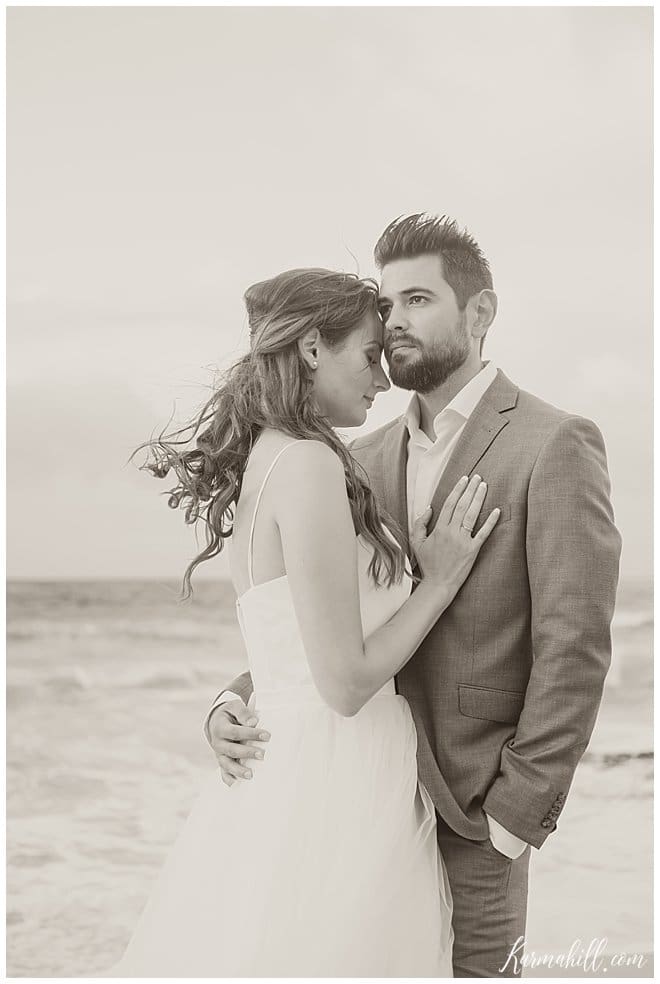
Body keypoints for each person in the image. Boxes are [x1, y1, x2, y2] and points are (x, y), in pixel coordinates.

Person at [206, 215, 622, 977]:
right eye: (387, 305)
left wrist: (516, 814)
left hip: (474, 812)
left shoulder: (553, 443)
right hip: (361, 802)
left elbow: (576, 645)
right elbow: (324, 616)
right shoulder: (354, 454)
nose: (394, 321)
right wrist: (235, 699)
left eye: (418, 300)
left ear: (480, 312)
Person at [112, 267, 502, 977]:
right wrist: (440, 581)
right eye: (369, 356)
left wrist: (228, 699)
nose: (383, 379)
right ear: (314, 349)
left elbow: (285, 643)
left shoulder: (273, 458)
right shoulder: (310, 465)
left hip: (293, 765)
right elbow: (345, 683)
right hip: (338, 778)